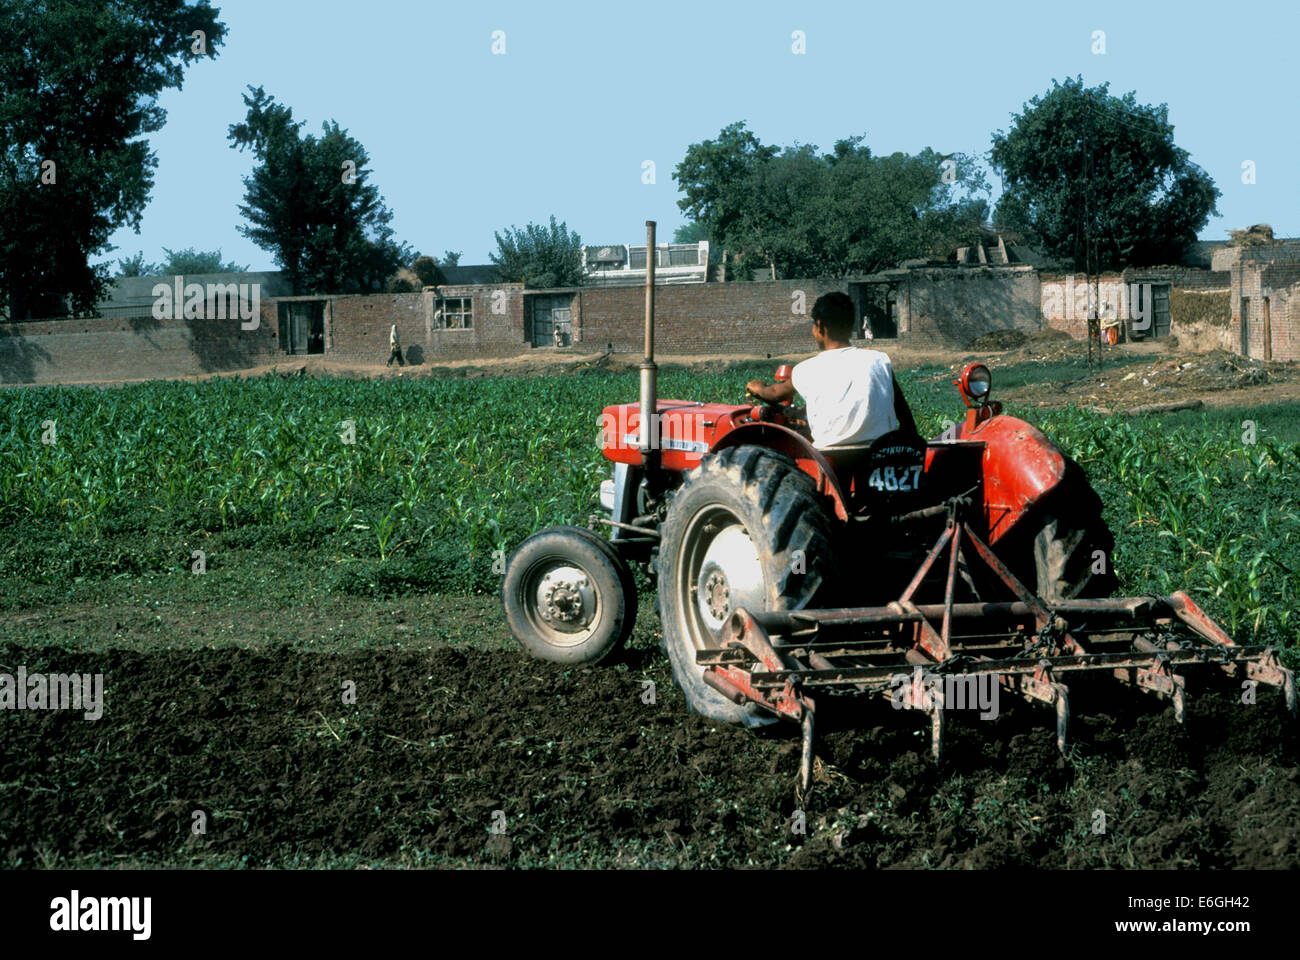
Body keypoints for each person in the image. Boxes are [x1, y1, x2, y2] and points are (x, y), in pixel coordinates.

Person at [746, 291, 915, 450]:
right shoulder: (879, 360)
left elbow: (775, 392)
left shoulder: (806, 369)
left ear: (819, 326)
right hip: (879, 456)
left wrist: (758, 388)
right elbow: (905, 416)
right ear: (852, 324)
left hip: (832, 459)